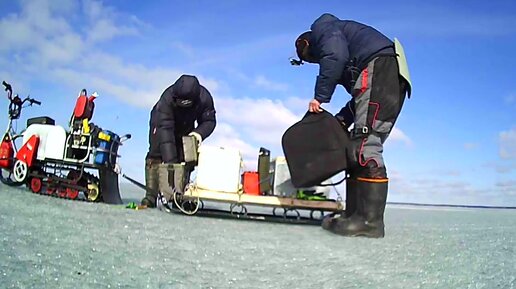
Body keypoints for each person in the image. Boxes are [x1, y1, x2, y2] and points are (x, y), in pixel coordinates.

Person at [292, 13, 411, 238]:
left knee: (366, 145)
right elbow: (363, 96)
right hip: (389, 77)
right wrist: (342, 118)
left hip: (381, 69)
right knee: (355, 145)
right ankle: (354, 215)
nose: (314, 62)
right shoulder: (351, 52)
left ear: (306, 43)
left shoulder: (324, 29)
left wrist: (320, 97)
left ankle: (369, 222)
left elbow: (334, 57)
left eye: (310, 58)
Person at [141, 74, 216, 208]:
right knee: (157, 152)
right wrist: (170, 163)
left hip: (186, 125)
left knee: (186, 155)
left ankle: (179, 196)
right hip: (161, 122)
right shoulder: (167, 99)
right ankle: (151, 196)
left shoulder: (204, 98)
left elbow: (209, 121)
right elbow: (166, 133)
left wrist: (197, 135)